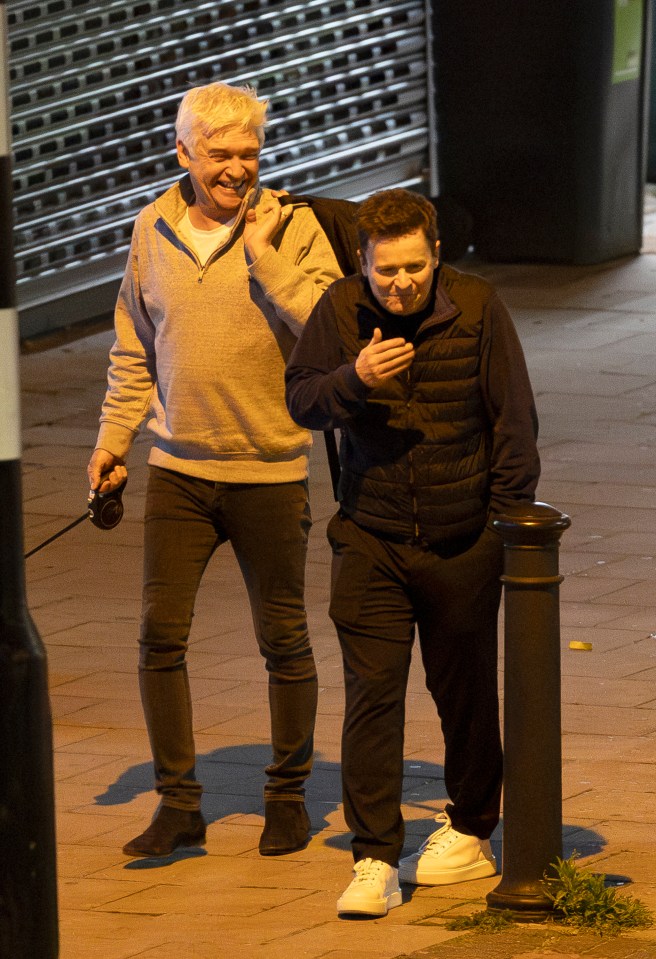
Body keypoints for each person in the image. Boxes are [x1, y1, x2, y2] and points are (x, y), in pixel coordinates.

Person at [86, 81, 341, 859]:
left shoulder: (292, 226)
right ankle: (178, 804)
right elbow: (134, 346)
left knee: (284, 640)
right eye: (221, 153)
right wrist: (112, 442)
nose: (238, 168)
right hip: (179, 472)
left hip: (270, 468)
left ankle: (289, 797)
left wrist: (265, 260)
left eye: (249, 152)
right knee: (160, 638)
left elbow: (331, 327)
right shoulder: (152, 226)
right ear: (184, 153)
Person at [285, 188, 540, 917]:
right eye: (384, 271)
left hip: (463, 539)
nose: (399, 285)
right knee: (372, 694)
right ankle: (373, 857)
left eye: (414, 269)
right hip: (371, 535)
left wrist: (504, 529)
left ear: (434, 254)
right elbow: (300, 399)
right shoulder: (338, 309)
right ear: (362, 262)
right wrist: (353, 381)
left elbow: (514, 423)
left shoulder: (480, 306)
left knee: (463, 692)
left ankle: (469, 826)